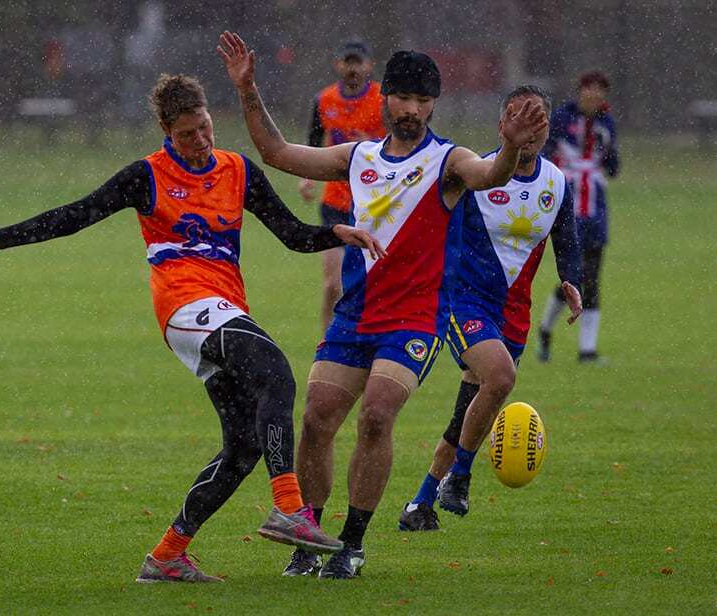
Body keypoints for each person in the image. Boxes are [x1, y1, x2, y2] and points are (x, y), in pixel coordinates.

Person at [0, 73, 386, 583]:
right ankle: (290, 508)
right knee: (276, 372)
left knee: (243, 446)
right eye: (186, 135)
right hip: (184, 306)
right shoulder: (147, 176)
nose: (199, 142)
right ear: (164, 131)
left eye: (204, 129)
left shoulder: (238, 170)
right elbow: (74, 215)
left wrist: (336, 231)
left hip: (222, 308)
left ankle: (166, 556)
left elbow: (290, 234)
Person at [218, 31, 547, 579]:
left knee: (375, 416)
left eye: (423, 101)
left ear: (433, 105)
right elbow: (277, 154)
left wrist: (510, 145)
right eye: (404, 99)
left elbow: (491, 176)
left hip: (415, 318)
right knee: (316, 420)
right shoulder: (358, 157)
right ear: (385, 99)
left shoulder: (450, 161)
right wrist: (248, 89)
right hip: (356, 315)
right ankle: (310, 536)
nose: (413, 110)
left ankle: (351, 542)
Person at [399, 85, 583, 531]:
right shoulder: (474, 175)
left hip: (513, 314)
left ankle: (420, 502)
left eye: (538, 118)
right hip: (464, 303)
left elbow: (566, 234)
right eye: (519, 117)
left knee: (468, 411)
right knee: (501, 377)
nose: (529, 128)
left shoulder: (555, 182)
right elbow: (433, 224)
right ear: (503, 125)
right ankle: (460, 476)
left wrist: (571, 278)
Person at [298, 40, 385, 331]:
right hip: (335, 203)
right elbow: (313, 142)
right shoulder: (324, 100)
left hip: (375, 203)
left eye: (358, 62)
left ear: (369, 65)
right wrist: (307, 177)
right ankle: (326, 343)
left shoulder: (383, 100)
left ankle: (373, 340)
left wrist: (369, 145)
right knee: (332, 285)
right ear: (338, 65)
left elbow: (400, 147)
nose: (353, 68)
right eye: (348, 62)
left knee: (375, 286)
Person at [537, 71, 619, 363]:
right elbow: (544, 156)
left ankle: (587, 350)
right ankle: (545, 329)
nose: (594, 96)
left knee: (592, 277)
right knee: (573, 276)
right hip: (567, 209)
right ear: (580, 90)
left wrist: (607, 146)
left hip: (595, 210)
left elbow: (613, 168)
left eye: (600, 91)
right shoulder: (560, 118)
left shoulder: (606, 123)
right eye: (590, 89)